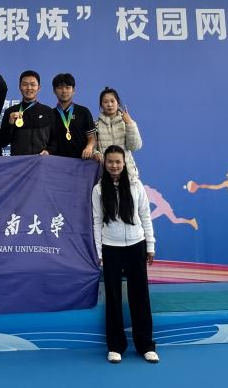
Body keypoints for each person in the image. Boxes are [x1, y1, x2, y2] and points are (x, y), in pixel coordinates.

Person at [92, 145, 159, 365]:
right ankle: (115, 346)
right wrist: (99, 251)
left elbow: (145, 215)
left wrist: (150, 245)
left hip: (136, 245)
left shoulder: (136, 185)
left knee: (140, 296)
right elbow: (97, 221)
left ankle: (145, 345)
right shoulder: (98, 189)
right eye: (110, 161)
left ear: (124, 163)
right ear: (105, 163)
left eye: (118, 162)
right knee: (113, 297)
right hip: (110, 247)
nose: (114, 165)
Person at [0, 70, 55, 156]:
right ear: (20, 87)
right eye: (25, 84)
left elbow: (55, 139)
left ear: (39, 87)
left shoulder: (48, 111)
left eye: (33, 84)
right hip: (18, 162)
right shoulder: (10, 112)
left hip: (41, 161)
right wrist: (10, 124)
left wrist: (49, 151)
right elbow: (3, 142)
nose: (29, 88)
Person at [94, 87, 143, 179]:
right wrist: (95, 154)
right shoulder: (95, 125)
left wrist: (129, 124)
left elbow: (135, 146)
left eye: (112, 101)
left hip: (128, 173)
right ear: (101, 105)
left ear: (118, 103)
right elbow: (93, 149)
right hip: (106, 175)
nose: (109, 105)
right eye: (105, 102)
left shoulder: (127, 122)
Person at [50, 73, 96, 159]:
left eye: (67, 87)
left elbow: (91, 137)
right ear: (54, 91)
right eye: (60, 88)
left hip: (81, 161)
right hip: (56, 162)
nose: (64, 91)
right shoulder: (50, 114)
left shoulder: (84, 112)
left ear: (73, 90)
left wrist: (89, 147)